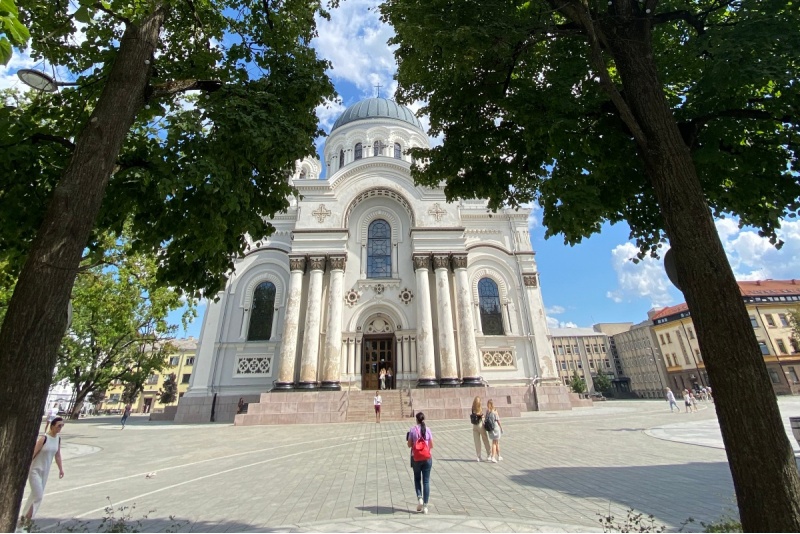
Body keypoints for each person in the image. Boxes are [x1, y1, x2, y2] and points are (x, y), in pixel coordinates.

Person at [20, 416, 65, 529]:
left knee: (33, 497)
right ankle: (26, 520)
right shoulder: (43, 439)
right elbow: (33, 454)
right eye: (59, 425)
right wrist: (26, 467)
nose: (60, 428)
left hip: (45, 471)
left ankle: (24, 522)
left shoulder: (58, 439)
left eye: (62, 426)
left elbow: (57, 455)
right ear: (52, 425)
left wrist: (61, 469)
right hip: (35, 470)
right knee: (38, 496)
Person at [407, 412, 433, 514]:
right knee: (426, 481)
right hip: (427, 458)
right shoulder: (428, 429)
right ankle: (425, 506)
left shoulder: (413, 430)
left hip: (416, 458)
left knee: (417, 479)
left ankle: (420, 498)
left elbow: (409, 445)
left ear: (416, 420)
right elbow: (431, 445)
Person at [470, 396, 491, 462]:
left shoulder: (473, 407)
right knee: (485, 439)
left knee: (477, 441)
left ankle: (478, 456)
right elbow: (481, 415)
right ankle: (489, 454)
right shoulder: (479, 407)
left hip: (474, 425)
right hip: (480, 425)